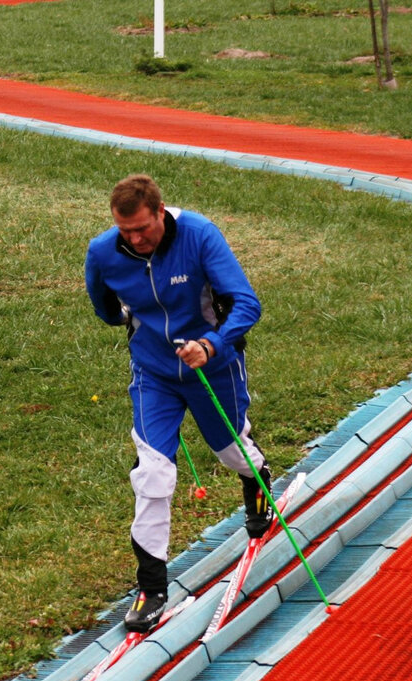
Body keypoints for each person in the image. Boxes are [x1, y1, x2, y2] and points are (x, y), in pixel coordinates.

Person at [85, 174, 273, 633]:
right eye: (125, 231)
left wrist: (210, 344)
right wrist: (131, 322)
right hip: (154, 373)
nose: (135, 240)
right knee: (152, 474)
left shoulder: (198, 234)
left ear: (160, 211)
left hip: (213, 367)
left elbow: (246, 303)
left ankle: (257, 477)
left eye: (142, 229)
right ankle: (151, 587)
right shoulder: (102, 252)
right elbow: (105, 307)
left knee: (231, 450)